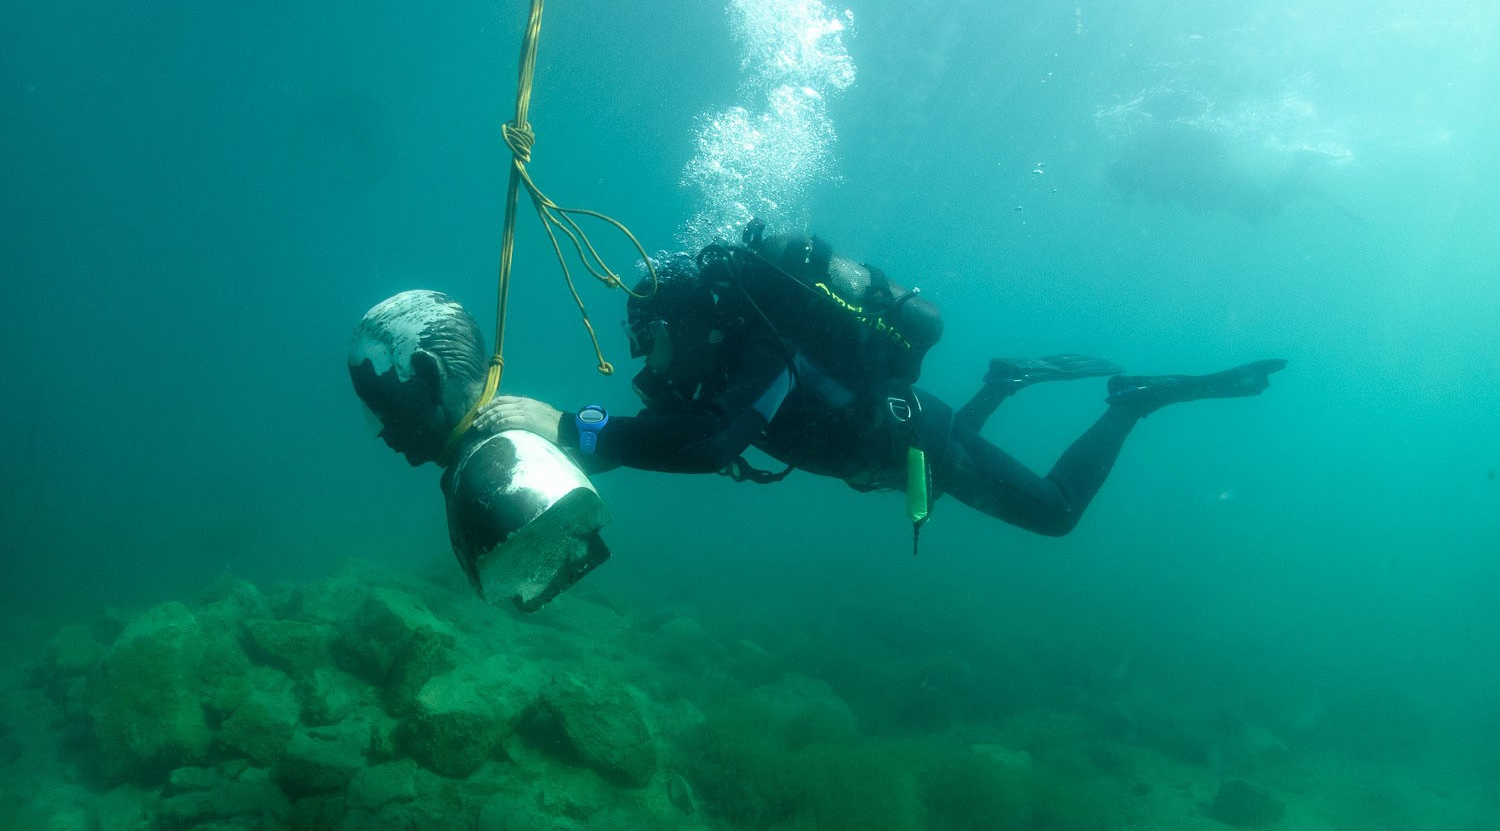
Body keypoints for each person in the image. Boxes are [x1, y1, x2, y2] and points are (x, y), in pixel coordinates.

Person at [349, 229, 1285, 581]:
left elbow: (717, 443)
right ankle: (1004, 379)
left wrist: (588, 431)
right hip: (883, 443)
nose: (648, 360)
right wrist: (603, 431)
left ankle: (1133, 402)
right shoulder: (728, 356)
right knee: (937, 470)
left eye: (650, 338)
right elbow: (704, 423)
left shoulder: (760, 345)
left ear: (682, 316)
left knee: (1054, 514)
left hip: (906, 436)